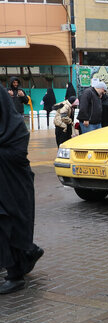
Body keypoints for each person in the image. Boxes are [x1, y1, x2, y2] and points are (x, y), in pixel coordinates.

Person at [0, 89, 44, 294]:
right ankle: (26, 254)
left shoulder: (13, 126)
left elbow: (17, 152)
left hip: (11, 183)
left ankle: (15, 274)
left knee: (9, 223)